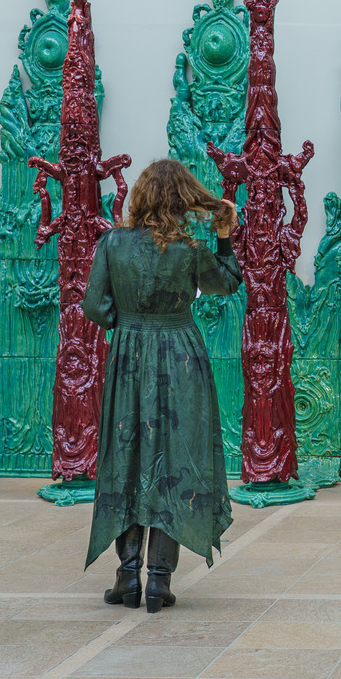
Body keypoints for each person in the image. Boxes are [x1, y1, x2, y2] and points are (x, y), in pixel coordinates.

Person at [80, 158, 242, 613]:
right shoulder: (190, 248)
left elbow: (93, 304)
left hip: (129, 354)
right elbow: (227, 283)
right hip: (181, 355)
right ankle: (160, 581)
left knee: (127, 457)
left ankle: (127, 575)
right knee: (176, 456)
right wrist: (225, 236)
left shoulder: (111, 242)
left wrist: (127, 323)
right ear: (182, 199)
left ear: (141, 196)